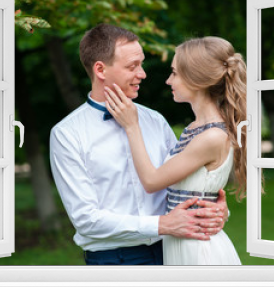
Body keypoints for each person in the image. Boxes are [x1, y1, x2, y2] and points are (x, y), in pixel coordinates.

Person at [50, 24, 229, 265]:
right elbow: (86, 220)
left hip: (174, 252)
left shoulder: (155, 121)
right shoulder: (67, 134)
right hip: (117, 260)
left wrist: (215, 209)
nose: (143, 73)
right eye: (132, 66)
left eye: (141, 64)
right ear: (101, 69)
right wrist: (161, 224)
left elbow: (182, 181)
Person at [104, 36, 246, 265]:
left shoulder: (212, 137)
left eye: (175, 73)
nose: (168, 80)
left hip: (198, 250)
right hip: (181, 242)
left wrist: (131, 126)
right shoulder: (195, 128)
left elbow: (151, 181)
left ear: (196, 79)